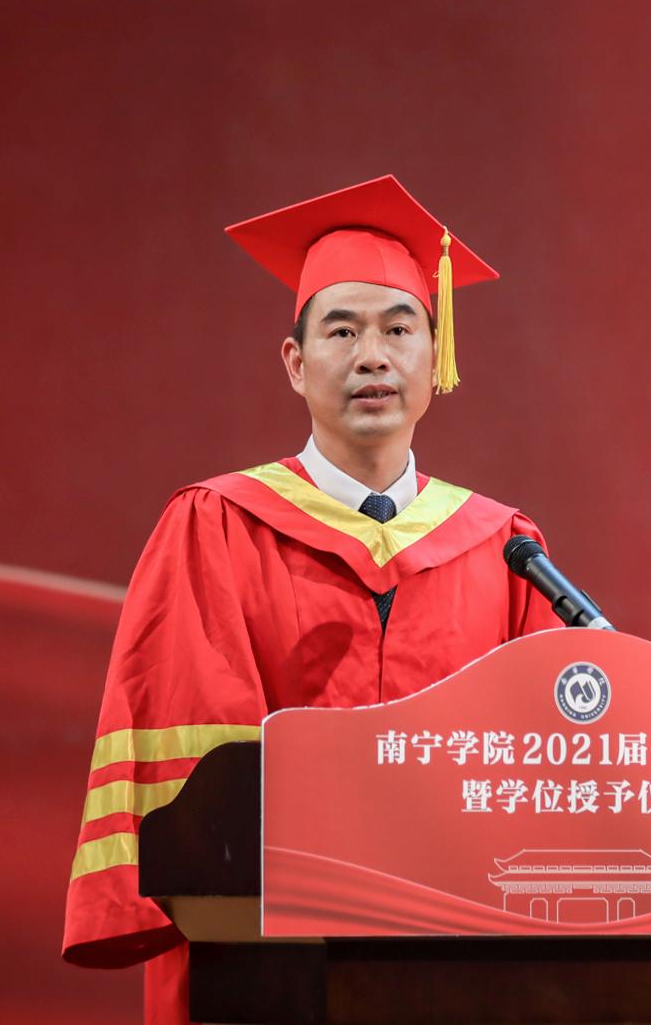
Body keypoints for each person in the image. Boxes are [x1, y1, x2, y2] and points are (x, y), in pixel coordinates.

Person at [61, 175, 563, 1023]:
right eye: (341, 330)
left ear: (433, 356)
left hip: (457, 966)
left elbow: (545, 773)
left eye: (398, 328)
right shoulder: (217, 525)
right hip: (263, 964)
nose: (373, 355)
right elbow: (200, 773)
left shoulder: (503, 547)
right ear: (295, 364)